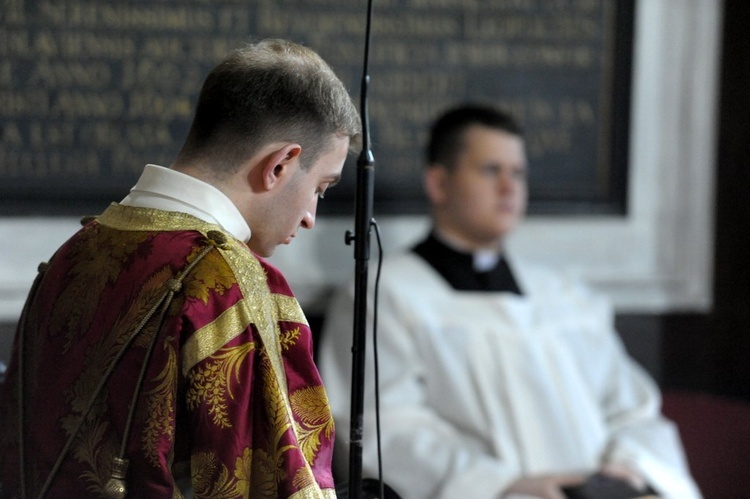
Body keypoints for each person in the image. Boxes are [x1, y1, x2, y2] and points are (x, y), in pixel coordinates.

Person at [0, 38, 360, 499]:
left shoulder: (75, 252)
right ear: (281, 165)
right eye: (321, 188)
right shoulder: (229, 283)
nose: (311, 216)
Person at [318, 104, 701, 499]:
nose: (509, 187)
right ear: (439, 183)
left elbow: (632, 412)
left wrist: (632, 475)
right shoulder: (387, 293)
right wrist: (504, 485)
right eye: (490, 170)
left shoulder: (566, 295)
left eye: (517, 173)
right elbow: (388, 426)